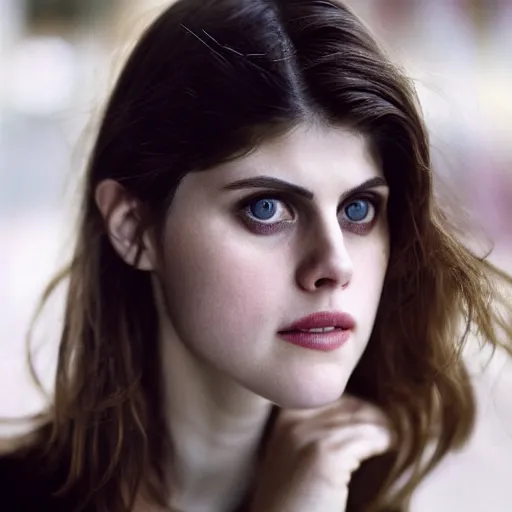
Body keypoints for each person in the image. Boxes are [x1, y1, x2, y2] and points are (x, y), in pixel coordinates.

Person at [1, 0, 511, 511]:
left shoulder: (391, 487)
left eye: (358, 209)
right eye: (266, 208)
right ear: (134, 228)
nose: (336, 266)